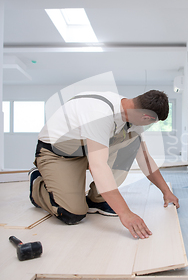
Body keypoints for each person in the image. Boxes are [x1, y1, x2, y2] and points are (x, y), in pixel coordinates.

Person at [29, 89, 179, 239]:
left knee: (133, 141)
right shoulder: (100, 113)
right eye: (152, 123)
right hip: (58, 153)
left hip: (84, 150)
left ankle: (98, 199)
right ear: (146, 117)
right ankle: (36, 181)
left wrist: (166, 191)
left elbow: (144, 158)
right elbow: (98, 166)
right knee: (72, 213)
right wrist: (125, 213)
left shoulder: (132, 114)